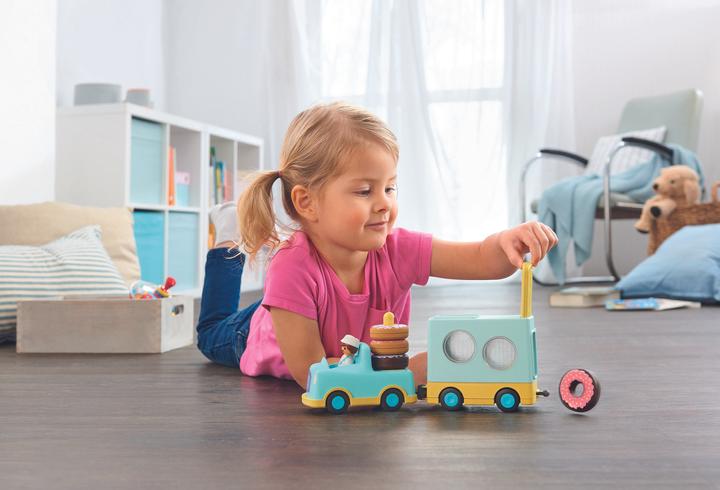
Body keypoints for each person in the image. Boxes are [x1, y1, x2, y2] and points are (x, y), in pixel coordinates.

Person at [196, 101, 558, 389]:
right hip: (256, 334)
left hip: (304, 307)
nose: (384, 203)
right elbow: (313, 372)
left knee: (292, 301)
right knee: (211, 331)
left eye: (389, 187)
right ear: (307, 202)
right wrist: (406, 373)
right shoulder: (290, 267)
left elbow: (480, 260)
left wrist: (507, 243)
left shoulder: (398, 249)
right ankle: (228, 236)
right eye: (365, 191)